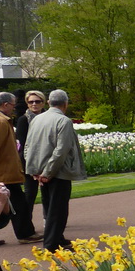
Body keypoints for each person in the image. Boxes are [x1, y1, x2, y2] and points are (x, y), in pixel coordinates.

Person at [0, 92, 42, 245]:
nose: (14, 108)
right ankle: (25, 234)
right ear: (5, 105)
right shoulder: (1, 121)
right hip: (3, 173)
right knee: (19, 204)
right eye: (13, 105)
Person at [23, 89, 87, 252]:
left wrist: (34, 170)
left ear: (49, 102)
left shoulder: (37, 119)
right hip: (57, 172)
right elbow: (61, 150)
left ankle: (57, 238)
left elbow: (28, 146)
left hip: (40, 170)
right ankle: (51, 244)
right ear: (65, 104)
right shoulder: (63, 121)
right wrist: (48, 172)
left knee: (50, 206)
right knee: (58, 209)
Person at [15, 89, 46, 212]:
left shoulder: (48, 118)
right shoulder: (24, 120)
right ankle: (27, 222)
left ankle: (48, 220)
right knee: (30, 193)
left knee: (47, 192)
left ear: (43, 103)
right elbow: (23, 143)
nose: (34, 104)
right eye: (31, 102)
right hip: (29, 160)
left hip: (46, 159)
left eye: (37, 101)